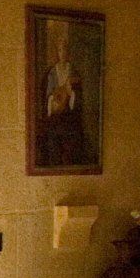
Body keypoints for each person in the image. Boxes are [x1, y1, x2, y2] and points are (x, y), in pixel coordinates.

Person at [35, 21, 89, 169]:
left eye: (65, 50)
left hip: (70, 115)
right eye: (60, 50)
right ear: (57, 53)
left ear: (68, 53)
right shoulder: (52, 72)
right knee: (53, 140)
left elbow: (78, 94)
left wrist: (72, 94)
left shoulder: (73, 71)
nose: (63, 53)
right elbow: (49, 94)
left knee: (71, 142)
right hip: (56, 112)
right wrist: (56, 96)